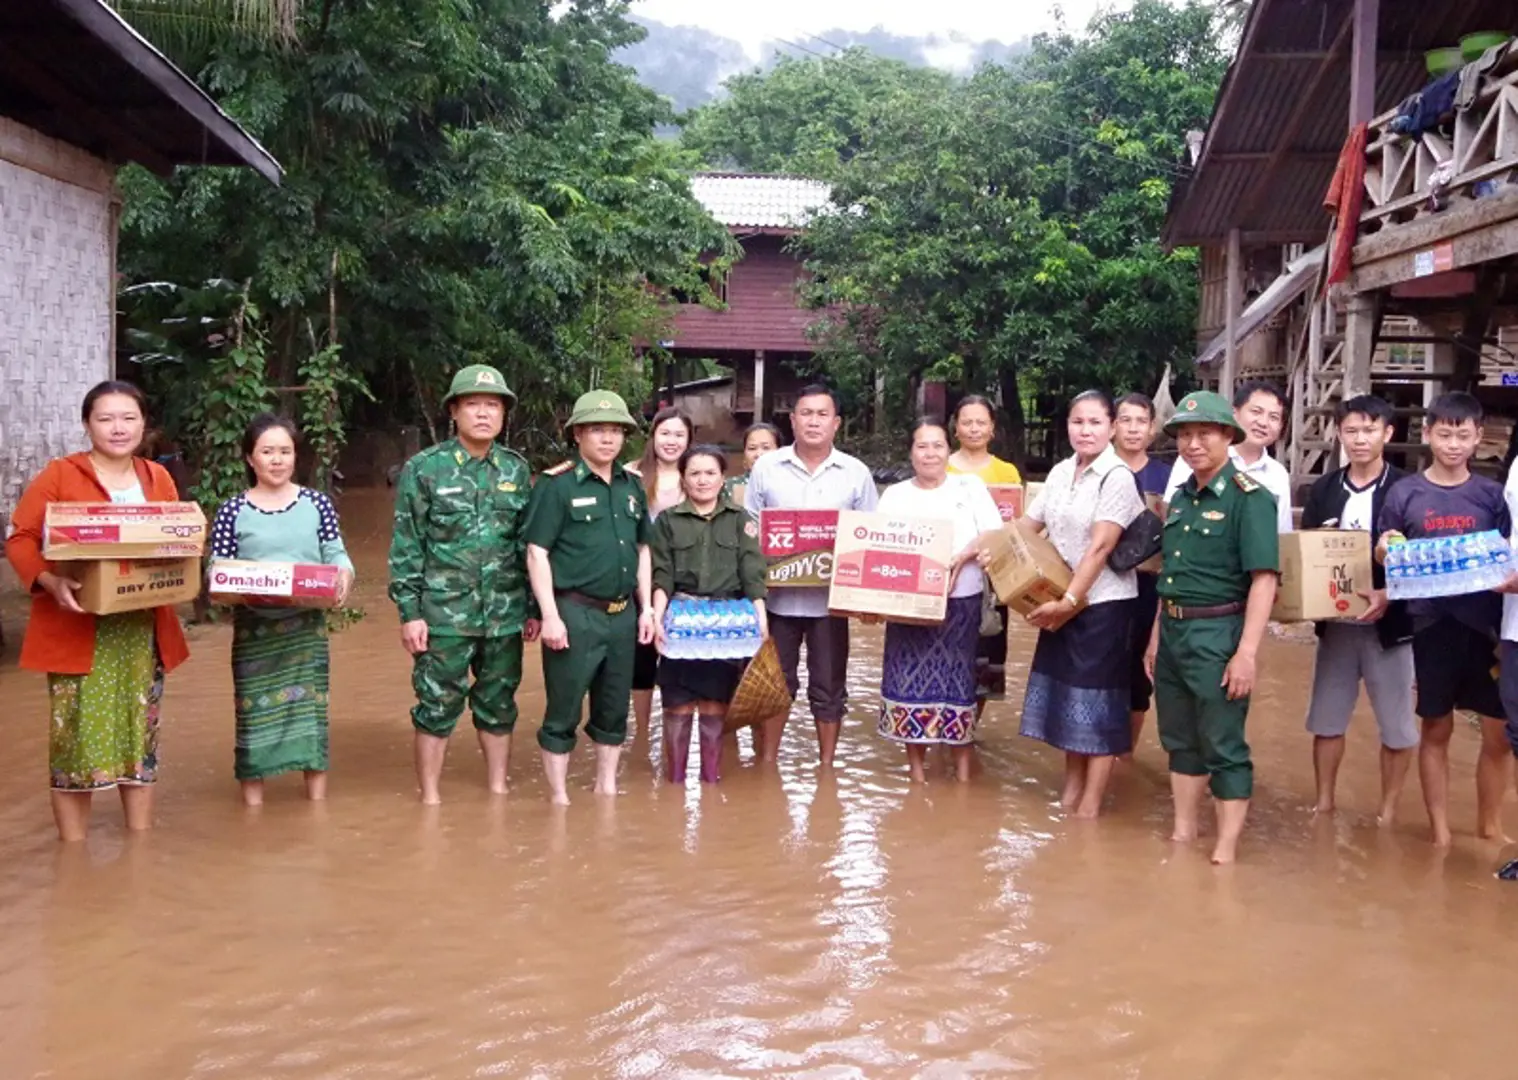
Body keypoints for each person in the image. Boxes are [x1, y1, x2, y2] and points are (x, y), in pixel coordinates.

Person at [4, 380, 191, 841]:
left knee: (139, 739)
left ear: (144, 424)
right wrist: (48, 579)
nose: (118, 428)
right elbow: (20, 538)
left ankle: (139, 844)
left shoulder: (157, 478)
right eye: (105, 418)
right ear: (87, 424)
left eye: (128, 418)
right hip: (77, 627)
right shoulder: (61, 475)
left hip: (141, 630)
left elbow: (177, 535)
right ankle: (73, 851)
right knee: (75, 743)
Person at [388, 364, 538, 805]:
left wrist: (530, 608)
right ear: (454, 411)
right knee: (436, 706)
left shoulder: (515, 469)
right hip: (443, 616)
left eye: (492, 405)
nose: (484, 414)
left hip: (504, 614)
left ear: (504, 415)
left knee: (499, 703)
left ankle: (497, 789)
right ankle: (430, 797)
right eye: (473, 404)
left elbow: (525, 546)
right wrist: (409, 614)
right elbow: (406, 547)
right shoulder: (425, 470)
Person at [1144, 391, 1279, 864]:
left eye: (1204, 433)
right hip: (1175, 633)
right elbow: (1170, 577)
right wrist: (1156, 638)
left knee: (1223, 741)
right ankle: (1184, 831)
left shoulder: (1252, 500)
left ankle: (1225, 848)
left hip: (1219, 633)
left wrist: (1246, 653)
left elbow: (1264, 580)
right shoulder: (1180, 499)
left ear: (1228, 436)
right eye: (1183, 435)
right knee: (1179, 737)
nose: (1192, 443)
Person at [1377, 392, 1512, 846]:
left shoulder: (1493, 496)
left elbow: (1507, 557)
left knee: (1498, 733)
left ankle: (1490, 826)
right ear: (1429, 434)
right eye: (1445, 434)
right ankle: (1439, 831)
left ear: (1478, 439)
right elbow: (1384, 549)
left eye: (1463, 435)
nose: (1453, 444)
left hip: (1485, 627)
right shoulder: (1405, 492)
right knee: (1436, 726)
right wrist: (1386, 546)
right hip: (1431, 626)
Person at [210, 414, 356, 806]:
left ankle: (316, 803)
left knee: (311, 713)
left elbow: (335, 552)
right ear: (249, 458)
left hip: (305, 627)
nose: (277, 460)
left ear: (296, 456)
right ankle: (253, 806)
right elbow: (218, 568)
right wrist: (231, 588)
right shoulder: (232, 511)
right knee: (253, 716)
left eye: (285, 451)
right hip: (254, 629)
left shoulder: (316, 504)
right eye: (267, 451)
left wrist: (343, 575)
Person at [524, 390, 656, 805]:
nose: (608, 439)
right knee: (563, 707)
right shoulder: (556, 485)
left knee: (614, 707)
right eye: (598, 430)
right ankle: (559, 798)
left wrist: (647, 607)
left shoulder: (632, 485)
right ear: (578, 434)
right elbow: (536, 551)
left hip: (622, 614)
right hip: (574, 611)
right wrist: (550, 615)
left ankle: (606, 786)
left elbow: (642, 549)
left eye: (616, 431)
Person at [1018, 391, 1147, 815]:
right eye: (1077, 422)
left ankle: (1090, 805)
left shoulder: (1117, 477)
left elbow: (1100, 548)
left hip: (1103, 607)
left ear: (1111, 428)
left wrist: (1071, 599)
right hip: (1063, 602)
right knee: (1069, 704)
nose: (1085, 430)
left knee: (1098, 704)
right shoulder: (1059, 471)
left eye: (1094, 423)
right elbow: (1028, 527)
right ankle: (1070, 793)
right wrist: (981, 548)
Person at [745, 385, 879, 766]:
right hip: (777, 602)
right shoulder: (766, 469)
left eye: (822, 414)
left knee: (830, 686)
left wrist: (866, 601)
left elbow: (869, 539)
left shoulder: (856, 473)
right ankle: (767, 763)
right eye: (806, 413)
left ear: (836, 423)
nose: (814, 421)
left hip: (830, 606)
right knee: (775, 685)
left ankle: (826, 767)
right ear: (792, 420)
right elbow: (751, 531)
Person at [1298, 395, 1416, 823]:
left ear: (1388, 433)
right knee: (1327, 720)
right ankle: (1324, 802)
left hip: (1391, 623)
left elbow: (1419, 558)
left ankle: (1387, 812)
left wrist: (1390, 594)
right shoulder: (1325, 489)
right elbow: (1307, 552)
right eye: (1351, 430)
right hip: (1337, 624)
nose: (1360, 439)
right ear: (1339, 434)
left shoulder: (1406, 489)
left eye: (1369, 430)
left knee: (1398, 726)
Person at [876, 419, 1004, 782]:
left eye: (937, 445)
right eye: (922, 446)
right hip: (907, 607)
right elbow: (879, 550)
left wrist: (961, 557)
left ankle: (962, 772)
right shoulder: (896, 495)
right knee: (907, 682)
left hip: (962, 601)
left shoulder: (969, 487)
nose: (930, 453)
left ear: (948, 451)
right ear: (911, 452)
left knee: (958, 684)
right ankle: (916, 773)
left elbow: (994, 533)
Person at [649, 445, 769, 784]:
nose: (703, 480)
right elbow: (662, 575)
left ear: (723, 478)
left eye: (710, 473)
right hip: (681, 622)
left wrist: (761, 621)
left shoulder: (741, 521)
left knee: (716, 705)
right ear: (684, 479)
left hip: (726, 626)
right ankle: (674, 785)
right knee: (677, 705)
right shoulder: (668, 521)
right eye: (695, 474)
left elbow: (752, 574)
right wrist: (657, 619)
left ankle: (711, 781)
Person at [946, 394, 1023, 711]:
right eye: (967, 422)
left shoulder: (1008, 473)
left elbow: (1017, 530)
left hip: (993, 579)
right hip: (949, 576)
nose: (974, 429)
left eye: (981, 422)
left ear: (992, 429)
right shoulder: (943, 467)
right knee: (947, 652)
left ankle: (968, 731)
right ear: (956, 428)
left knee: (985, 657)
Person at [627, 407, 694, 746]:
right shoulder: (630, 474)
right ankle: (641, 735)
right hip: (636, 581)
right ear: (652, 436)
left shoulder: (695, 476)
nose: (671, 441)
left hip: (681, 582)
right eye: (665, 433)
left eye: (679, 435)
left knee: (676, 657)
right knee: (640, 661)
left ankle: (674, 736)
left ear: (689, 440)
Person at [1114, 392, 1173, 751]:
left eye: (1141, 421)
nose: (1133, 429)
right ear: (1112, 426)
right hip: (1100, 585)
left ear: (1153, 429)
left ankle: (1126, 755)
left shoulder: (1168, 477)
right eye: (1126, 420)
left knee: (1138, 672)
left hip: (1148, 587)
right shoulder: (1097, 468)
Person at [1163, 379, 1294, 534]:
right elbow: (1170, 512)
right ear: (1234, 414)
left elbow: (1282, 532)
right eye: (1256, 412)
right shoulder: (1197, 455)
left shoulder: (1278, 474)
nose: (1263, 423)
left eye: (1274, 417)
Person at [724, 422, 783, 504]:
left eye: (766, 448)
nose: (758, 454)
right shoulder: (729, 486)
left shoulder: (793, 484)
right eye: (752, 448)